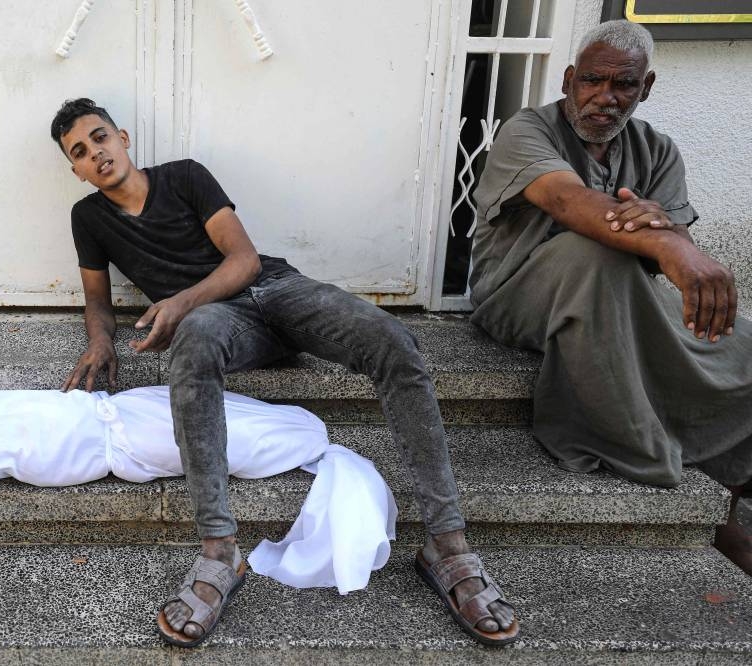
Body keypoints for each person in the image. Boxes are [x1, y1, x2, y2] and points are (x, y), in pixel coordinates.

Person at [50, 98, 518, 646]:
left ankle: (448, 543)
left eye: (100, 137)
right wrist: (101, 340)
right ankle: (219, 553)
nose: (95, 153)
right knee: (193, 344)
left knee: (394, 341)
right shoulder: (89, 218)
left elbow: (244, 260)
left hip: (276, 290)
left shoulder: (185, 176)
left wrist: (178, 303)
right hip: (220, 323)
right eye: (79, 152)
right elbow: (97, 299)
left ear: (123, 137)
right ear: (76, 170)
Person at [469, 20, 752, 574]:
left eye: (623, 84)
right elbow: (568, 201)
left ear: (646, 87)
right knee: (592, 252)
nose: (605, 97)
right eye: (592, 81)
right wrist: (660, 239)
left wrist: (664, 233)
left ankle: (727, 501)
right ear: (569, 80)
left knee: (740, 343)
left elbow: (673, 244)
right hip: (514, 291)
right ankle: (639, 448)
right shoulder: (527, 129)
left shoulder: (657, 149)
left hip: (624, 292)